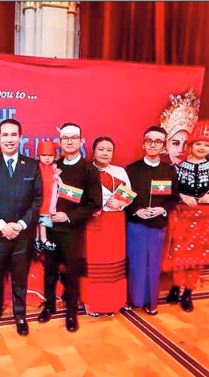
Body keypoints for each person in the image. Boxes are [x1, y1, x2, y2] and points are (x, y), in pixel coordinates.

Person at [0, 119, 42, 337]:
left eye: (14, 135)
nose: (9, 139)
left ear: (21, 138)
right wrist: (1, 225)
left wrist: (21, 224)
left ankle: (20, 315)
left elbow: (36, 199)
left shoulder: (32, 165)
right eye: (5, 135)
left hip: (22, 234)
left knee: (20, 277)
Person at [37, 123, 101, 332]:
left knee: (72, 273)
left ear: (81, 141)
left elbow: (94, 203)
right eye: (66, 138)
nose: (70, 141)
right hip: (50, 230)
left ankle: (72, 312)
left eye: (74, 137)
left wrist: (68, 216)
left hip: (73, 231)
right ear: (60, 142)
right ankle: (49, 306)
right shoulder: (53, 167)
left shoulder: (88, 169)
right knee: (49, 270)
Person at [163, 120, 209, 312]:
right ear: (191, 145)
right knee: (179, 255)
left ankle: (188, 292)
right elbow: (170, 190)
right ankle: (175, 287)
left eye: (206, 145)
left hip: (206, 218)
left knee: (197, 258)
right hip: (183, 215)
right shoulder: (178, 167)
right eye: (198, 143)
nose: (202, 148)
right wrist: (181, 196)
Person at [125, 126, 179, 315]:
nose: (153, 145)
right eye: (149, 141)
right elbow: (125, 198)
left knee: (153, 265)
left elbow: (173, 198)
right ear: (143, 143)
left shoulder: (169, 171)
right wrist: (136, 210)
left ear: (163, 146)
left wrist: (162, 209)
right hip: (135, 224)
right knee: (135, 264)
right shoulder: (131, 170)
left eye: (158, 141)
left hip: (158, 225)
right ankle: (133, 300)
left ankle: (151, 301)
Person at [80, 137, 131, 318]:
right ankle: (90, 301)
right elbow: (79, 196)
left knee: (113, 262)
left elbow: (129, 195)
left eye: (109, 150)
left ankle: (112, 302)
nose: (105, 153)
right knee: (93, 263)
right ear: (93, 151)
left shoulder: (120, 171)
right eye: (101, 149)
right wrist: (98, 204)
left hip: (115, 222)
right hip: (93, 222)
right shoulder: (85, 170)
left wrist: (120, 203)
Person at [160, 88, 200, 166]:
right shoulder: (157, 173)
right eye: (175, 143)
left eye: (187, 144)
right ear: (166, 145)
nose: (181, 150)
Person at [34, 140, 60, 253]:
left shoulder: (55, 168)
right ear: (38, 155)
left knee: (43, 221)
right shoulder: (36, 167)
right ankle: (37, 239)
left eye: (50, 155)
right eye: (44, 155)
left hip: (49, 198)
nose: (47, 158)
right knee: (37, 221)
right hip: (38, 197)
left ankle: (43, 239)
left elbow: (59, 183)